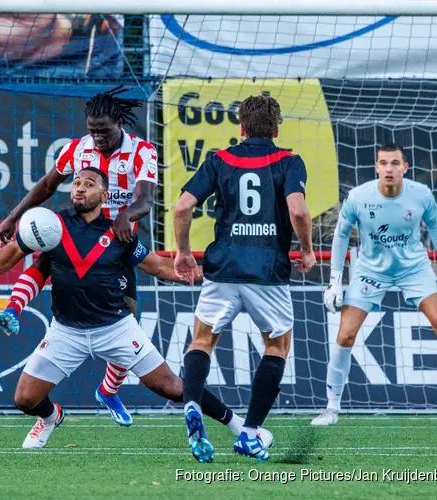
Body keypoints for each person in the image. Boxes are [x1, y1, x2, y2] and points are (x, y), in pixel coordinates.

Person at [0, 168, 272, 453]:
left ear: (104, 195)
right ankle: (51, 418)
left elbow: (161, 268)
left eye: (88, 184)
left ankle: (242, 427)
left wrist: (221, 272)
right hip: (66, 330)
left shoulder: (120, 233)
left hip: (116, 328)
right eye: (75, 182)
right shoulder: (53, 224)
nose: (78, 188)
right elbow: (11, 254)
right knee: (24, 399)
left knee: (173, 387)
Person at [0, 86, 158, 427]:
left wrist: (127, 215)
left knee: (127, 319)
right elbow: (47, 185)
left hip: (115, 244)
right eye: (92, 129)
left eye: (103, 130)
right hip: (75, 234)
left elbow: (145, 199)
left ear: (120, 124)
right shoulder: (77, 148)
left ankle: (109, 390)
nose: (96, 136)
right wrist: (14, 215)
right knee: (43, 262)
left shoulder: (142, 152)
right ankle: (13, 309)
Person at [172, 95, 316, 462]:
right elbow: (297, 209)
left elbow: (183, 206)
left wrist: (184, 251)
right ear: (277, 129)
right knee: (276, 347)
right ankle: (250, 432)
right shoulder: (289, 160)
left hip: (224, 268)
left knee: (202, 341)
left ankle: (191, 403)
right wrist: (308, 250)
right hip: (268, 271)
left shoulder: (220, 159)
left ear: (241, 128)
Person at [312, 143, 437, 426]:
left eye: (394, 163)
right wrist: (334, 282)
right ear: (376, 167)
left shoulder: (421, 194)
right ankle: (331, 408)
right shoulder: (358, 197)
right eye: (383, 163)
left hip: (414, 269)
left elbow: (436, 227)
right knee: (345, 335)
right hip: (369, 271)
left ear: (405, 167)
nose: (388, 168)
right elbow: (340, 237)